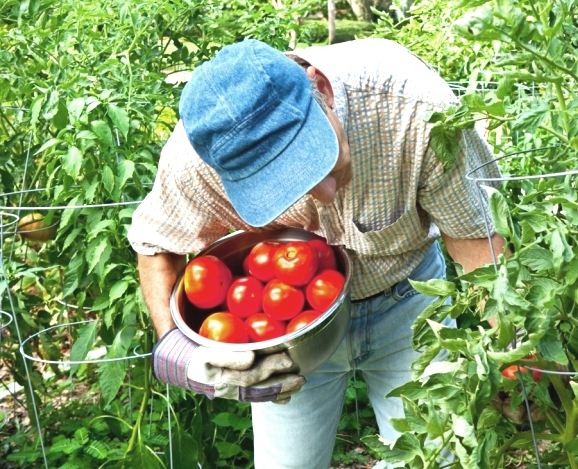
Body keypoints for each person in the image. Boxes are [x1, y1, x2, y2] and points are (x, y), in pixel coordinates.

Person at [128, 38, 504, 468]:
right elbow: (157, 245)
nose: (323, 194)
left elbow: (477, 238)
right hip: (284, 337)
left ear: (320, 89)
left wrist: (512, 350)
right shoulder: (198, 159)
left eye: (318, 160)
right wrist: (176, 350)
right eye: (285, 183)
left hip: (410, 305)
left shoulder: (415, 109)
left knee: (434, 458)